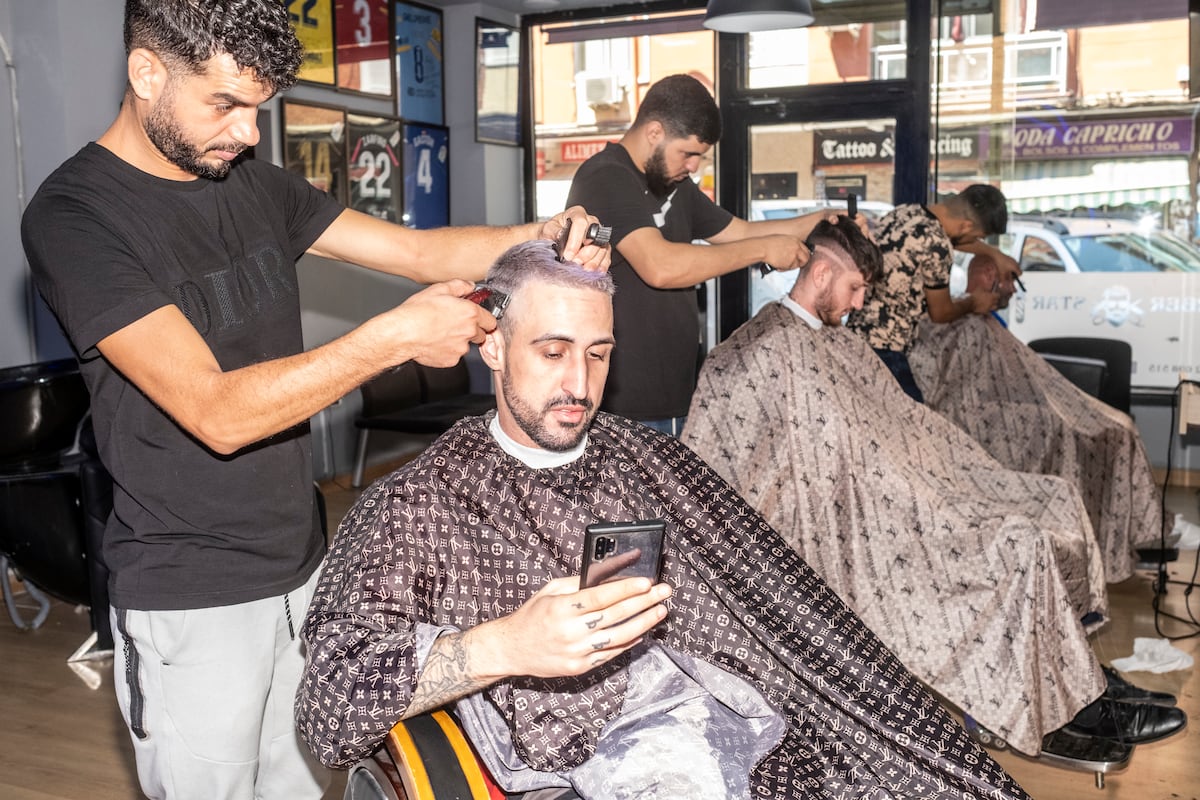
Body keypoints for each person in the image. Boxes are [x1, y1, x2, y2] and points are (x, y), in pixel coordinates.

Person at [19, 2, 609, 799]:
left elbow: (414, 250)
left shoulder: (253, 183)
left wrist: (544, 231)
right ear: (146, 72)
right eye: (225, 104)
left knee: (304, 785)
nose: (248, 132)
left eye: (258, 108)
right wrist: (394, 339)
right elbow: (216, 412)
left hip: (305, 568)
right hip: (189, 592)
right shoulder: (76, 217)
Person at [297, 238, 1037, 800]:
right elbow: (327, 708)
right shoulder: (419, 504)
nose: (578, 385)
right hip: (593, 762)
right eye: (551, 352)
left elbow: (779, 604)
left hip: (740, 714)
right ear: (491, 344)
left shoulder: (647, 459)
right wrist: (502, 645)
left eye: (597, 353)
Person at [682, 218, 1185, 758]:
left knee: (1048, 499)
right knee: (1017, 544)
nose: (856, 304)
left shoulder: (837, 341)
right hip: (861, 524)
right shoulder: (758, 351)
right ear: (822, 272)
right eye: (854, 289)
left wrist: (955, 478)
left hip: (906, 493)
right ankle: (1066, 711)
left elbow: (906, 423)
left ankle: (1082, 680)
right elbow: (732, 461)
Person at [564, 73, 837, 436]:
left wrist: (820, 220)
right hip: (624, 401)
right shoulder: (606, 177)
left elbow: (737, 232)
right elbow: (660, 266)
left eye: (700, 157)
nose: (694, 166)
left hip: (678, 392)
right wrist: (764, 250)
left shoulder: (674, 184)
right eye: (688, 153)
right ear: (655, 132)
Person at [908, 253, 1165, 583]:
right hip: (984, 424)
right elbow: (961, 399)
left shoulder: (984, 324)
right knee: (1104, 434)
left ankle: (1124, 540)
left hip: (1009, 412)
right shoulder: (965, 328)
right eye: (1011, 280)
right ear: (988, 277)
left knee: (1116, 428)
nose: (1014, 290)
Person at [843, 184, 1014, 402]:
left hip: (855, 337)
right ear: (966, 225)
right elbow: (941, 312)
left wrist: (995, 255)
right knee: (915, 426)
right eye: (977, 236)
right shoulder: (939, 246)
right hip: (886, 348)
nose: (975, 243)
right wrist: (973, 302)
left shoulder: (905, 212)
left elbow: (946, 240)